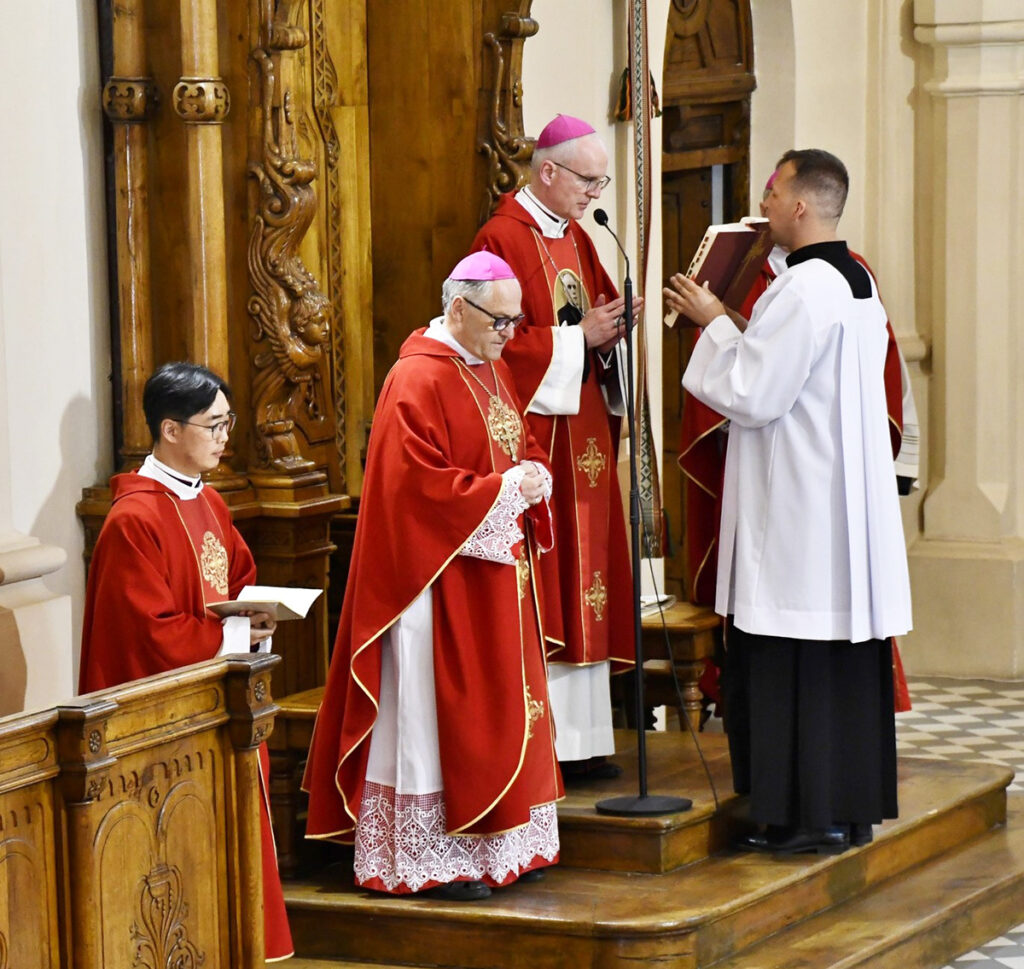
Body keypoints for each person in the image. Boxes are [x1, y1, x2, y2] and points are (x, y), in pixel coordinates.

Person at [664, 149, 913, 855]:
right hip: (837, 506)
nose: (763, 204)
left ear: (800, 204)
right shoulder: (855, 280)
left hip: (799, 510)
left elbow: (755, 392)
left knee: (789, 661)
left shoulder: (801, 290)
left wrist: (713, 319)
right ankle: (846, 807)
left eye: (772, 192)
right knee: (837, 670)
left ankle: (798, 814)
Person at [302, 252, 562, 900]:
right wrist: (505, 489)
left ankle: (497, 842)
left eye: (516, 320)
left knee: (497, 710)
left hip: (496, 578)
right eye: (499, 321)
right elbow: (416, 492)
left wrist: (534, 475)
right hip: (432, 584)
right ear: (457, 309)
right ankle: (434, 858)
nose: (509, 334)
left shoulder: (490, 367)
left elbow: (517, 442)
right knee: (433, 716)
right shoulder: (416, 379)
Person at [79, 361, 293, 961]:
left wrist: (260, 616)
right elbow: (150, 636)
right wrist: (233, 636)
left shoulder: (210, 502)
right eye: (214, 425)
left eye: (229, 423)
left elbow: (239, 579)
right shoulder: (134, 518)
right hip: (168, 727)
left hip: (221, 707)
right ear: (170, 429)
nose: (226, 436)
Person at [471, 113, 642, 780]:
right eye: (588, 179)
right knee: (555, 575)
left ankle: (588, 737)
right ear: (548, 172)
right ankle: (548, 743)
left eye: (601, 180)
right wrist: (579, 340)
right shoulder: (500, 238)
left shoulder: (576, 236)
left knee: (590, 576)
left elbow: (598, 313)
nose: (595, 193)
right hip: (542, 438)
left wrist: (614, 331)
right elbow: (498, 344)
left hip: (588, 435)